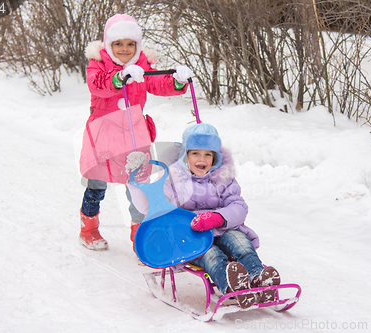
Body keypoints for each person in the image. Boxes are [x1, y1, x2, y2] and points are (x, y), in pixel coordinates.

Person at [127, 123, 281, 309]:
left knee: (241, 244)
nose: (202, 159)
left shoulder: (223, 177)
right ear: (186, 155)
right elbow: (149, 207)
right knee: (212, 256)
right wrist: (137, 183)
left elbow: (238, 206)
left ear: (215, 157)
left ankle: (259, 278)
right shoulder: (172, 178)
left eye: (208, 154)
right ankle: (232, 285)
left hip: (222, 228)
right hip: (190, 236)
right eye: (195, 153)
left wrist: (218, 217)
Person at [78, 13, 194, 251]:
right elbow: (96, 84)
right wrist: (120, 78)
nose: (124, 49)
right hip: (104, 135)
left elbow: (157, 83)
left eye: (130, 44)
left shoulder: (142, 63)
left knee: (138, 187)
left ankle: (139, 236)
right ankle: (88, 229)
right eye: (118, 44)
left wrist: (177, 81)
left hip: (133, 135)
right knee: (97, 185)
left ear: (138, 45)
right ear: (109, 44)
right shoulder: (97, 62)